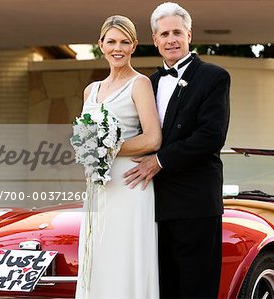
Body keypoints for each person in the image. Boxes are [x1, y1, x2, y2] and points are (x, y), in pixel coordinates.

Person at [124, 2, 231, 298]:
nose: (171, 39)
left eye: (177, 32)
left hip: (194, 202)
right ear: (155, 40)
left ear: (189, 35)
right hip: (153, 204)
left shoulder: (214, 77)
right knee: (162, 287)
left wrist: (159, 160)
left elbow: (211, 136)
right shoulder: (148, 83)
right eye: (164, 34)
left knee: (195, 287)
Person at [75, 15, 161, 299]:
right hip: (99, 188)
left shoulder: (140, 84)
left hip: (130, 184)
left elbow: (152, 138)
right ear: (101, 45)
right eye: (111, 41)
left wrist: (105, 146)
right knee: (98, 256)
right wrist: (90, 148)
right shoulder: (91, 90)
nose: (118, 48)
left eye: (125, 42)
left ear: (134, 45)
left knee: (125, 257)